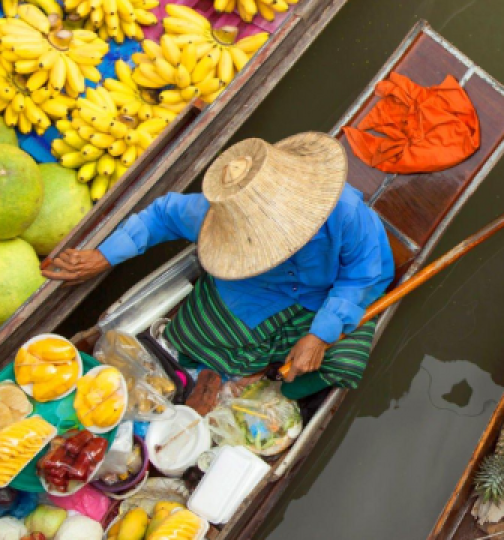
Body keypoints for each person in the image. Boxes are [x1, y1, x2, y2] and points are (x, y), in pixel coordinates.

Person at [44, 133, 394, 400]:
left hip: (331, 292)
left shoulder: (345, 213)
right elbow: (161, 214)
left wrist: (319, 335)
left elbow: (361, 275)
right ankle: (251, 369)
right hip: (257, 289)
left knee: (344, 362)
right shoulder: (218, 218)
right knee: (192, 338)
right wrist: (104, 255)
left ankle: (271, 376)